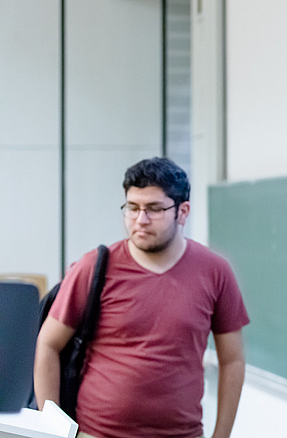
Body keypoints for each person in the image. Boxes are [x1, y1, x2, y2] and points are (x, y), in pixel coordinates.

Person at [34, 157, 250, 438]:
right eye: (132, 208)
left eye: (154, 209)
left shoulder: (215, 271)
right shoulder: (95, 266)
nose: (141, 220)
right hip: (97, 433)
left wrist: (221, 435)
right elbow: (48, 344)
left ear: (182, 212)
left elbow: (232, 360)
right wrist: (52, 431)